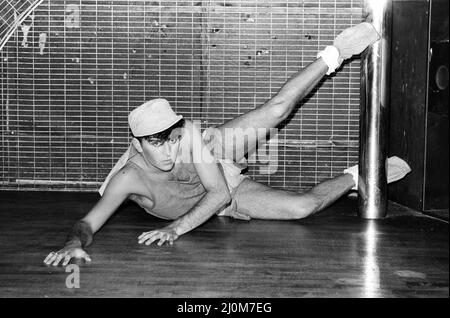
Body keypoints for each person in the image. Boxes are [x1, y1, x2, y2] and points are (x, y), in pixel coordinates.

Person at [44, 22, 411, 267]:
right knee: (302, 207)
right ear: (138, 147)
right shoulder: (128, 177)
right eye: (158, 145)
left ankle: (336, 52)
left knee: (276, 111)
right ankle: (360, 173)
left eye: (172, 139)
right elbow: (86, 223)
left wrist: (175, 229)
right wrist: (72, 243)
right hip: (218, 195)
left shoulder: (187, 139)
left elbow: (216, 191)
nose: (170, 152)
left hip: (214, 164)